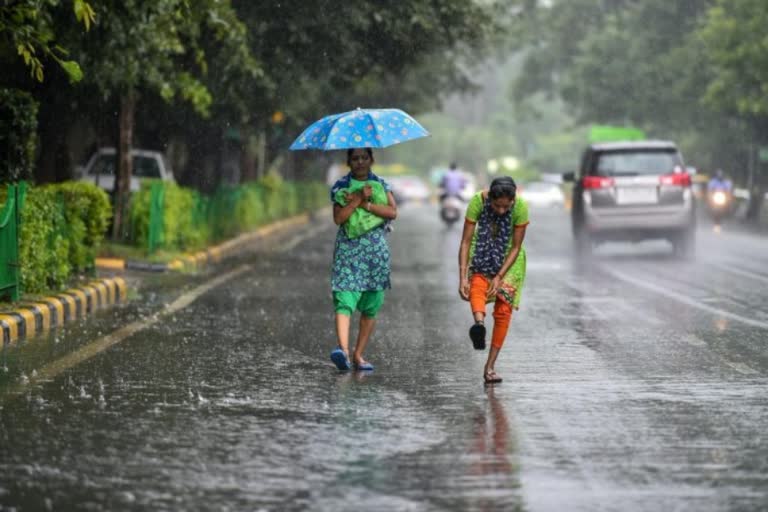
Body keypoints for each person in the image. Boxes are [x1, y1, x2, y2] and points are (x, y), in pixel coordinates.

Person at [328, 147, 398, 371]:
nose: (360, 162)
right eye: (355, 158)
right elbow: (339, 218)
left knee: (371, 304)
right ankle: (344, 352)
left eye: (364, 158)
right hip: (348, 251)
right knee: (344, 297)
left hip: (375, 253)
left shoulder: (381, 184)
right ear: (348, 161)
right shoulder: (341, 187)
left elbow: (392, 212)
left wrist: (367, 204)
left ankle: (358, 355)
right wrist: (356, 199)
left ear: (371, 159)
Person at [458, 176, 529, 384]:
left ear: (513, 201)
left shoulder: (521, 207)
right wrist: (462, 276)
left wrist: (499, 276)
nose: (501, 211)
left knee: (503, 310)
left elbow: (516, 247)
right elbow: (465, 241)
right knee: (477, 285)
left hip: (510, 259)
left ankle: (490, 367)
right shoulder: (477, 202)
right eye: (497, 206)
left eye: (506, 207)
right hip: (482, 250)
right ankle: (479, 325)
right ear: (490, 198)